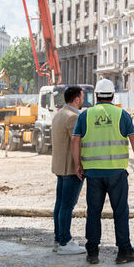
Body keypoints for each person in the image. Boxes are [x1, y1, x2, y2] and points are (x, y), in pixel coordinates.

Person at [71, 79, 134, 265]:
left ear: (96, 95)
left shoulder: (85, 116)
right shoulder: (121, 114)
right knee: (120, 212)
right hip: (116, 173)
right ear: (112, 95)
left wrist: (77, 163)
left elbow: (75, 140)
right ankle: (124, 251)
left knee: (93, 212)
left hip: (93, 174)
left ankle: (92, 253)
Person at [51, 86, 85, 255]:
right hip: (71, 167)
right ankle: (65, 241)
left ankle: (59, 239)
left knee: (60, 204)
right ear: (77, 99)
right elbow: (76, 143)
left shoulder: (59, 114)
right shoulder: (73, 117)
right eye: (82, 97)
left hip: (60, 166)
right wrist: (79, 164)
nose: (83, 100)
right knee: (67, 205)